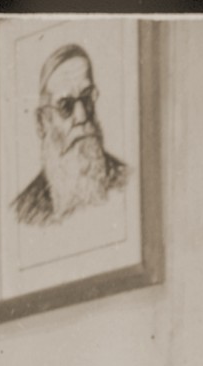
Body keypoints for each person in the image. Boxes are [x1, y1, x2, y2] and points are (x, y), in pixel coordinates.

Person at [12, 44, 130, 228]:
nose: (82, 116)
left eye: (86, 98)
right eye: (65, 106)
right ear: (42, 123)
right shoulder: (23, 212)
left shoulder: (126, 181)